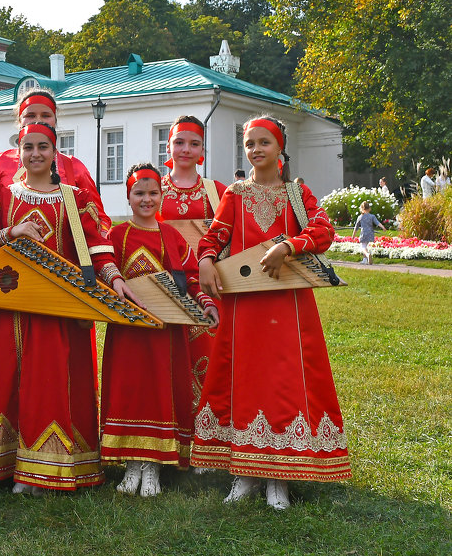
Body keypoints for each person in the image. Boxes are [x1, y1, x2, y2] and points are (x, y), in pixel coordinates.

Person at [193, 116, 350, 510]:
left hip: (289, 306)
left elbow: (324, 231)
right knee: (244, 377)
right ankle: (244, 473)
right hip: (244, 306)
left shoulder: (297, 193)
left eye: (264, 142)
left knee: (284, 379)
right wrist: (207, 260)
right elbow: (214, 236)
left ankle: (280, 475)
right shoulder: (235, 193)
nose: (256, 149)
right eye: (250, 143)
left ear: (280, 147)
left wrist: (290, 246)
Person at [0, 122, 127, 494]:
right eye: (28, 146)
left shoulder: (71, 196)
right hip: (11, 309)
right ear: (19, 151)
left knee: (50, 380)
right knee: (9, 378)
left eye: (43, 147)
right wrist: (11, 232)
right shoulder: (4, 196)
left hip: (58, 310)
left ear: (55, 153)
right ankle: (8, 465)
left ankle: (46, 469)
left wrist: (114, 278)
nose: (35, 153)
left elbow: (94, 244)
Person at [101, 163, 219, 497]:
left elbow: (191, 277)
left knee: (159, 392)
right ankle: (131, 464)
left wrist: (205, 303)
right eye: (139, 193)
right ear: (128, 196)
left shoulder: (172, 236)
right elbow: (105, 274)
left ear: (162, 196)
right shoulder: (117, 236)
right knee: (129, 391)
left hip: (167, 335)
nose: (147, 199)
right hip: (128, 334)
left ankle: (152, 467)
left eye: (153, 193)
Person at [158, 116, 227, 409]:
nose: (186, 149)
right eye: (179, 142)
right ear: (169, 147)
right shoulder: (153, 189)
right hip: (166, 288)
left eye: (194, 143)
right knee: (168, 359)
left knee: (210, 359)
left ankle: (211, 428)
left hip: (209, 287)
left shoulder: (217, 190)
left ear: (202, 151)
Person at [0, 88, 111, 232]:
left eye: (45, 115)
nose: (38, 120)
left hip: (62, 255)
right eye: (30, 115)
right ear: (19, 121)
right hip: (6, 252)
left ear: (55, 121)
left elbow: (100, 219)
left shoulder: (73, 167)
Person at [352, 200, 386, 265]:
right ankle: (365, 260)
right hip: (370, 234)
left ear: (361, 209)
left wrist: (353, 235)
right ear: (369, 208)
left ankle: (367, 255)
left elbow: (356, 227)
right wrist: (383, 227)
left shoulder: (360, 217)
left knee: (362, 247)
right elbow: (377, 222)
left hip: (363, 234)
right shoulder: (372, 216)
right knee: (365, 246)